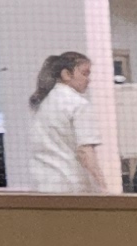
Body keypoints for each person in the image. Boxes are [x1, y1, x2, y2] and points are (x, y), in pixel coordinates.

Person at [12, 51, 110, 193]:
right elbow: (85, 151)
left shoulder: (41, 103)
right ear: (66, 74)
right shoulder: (79, 104)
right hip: (71, 185)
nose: (88, 80)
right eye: (85, 73)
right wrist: (103, 186)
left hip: (42, 185)